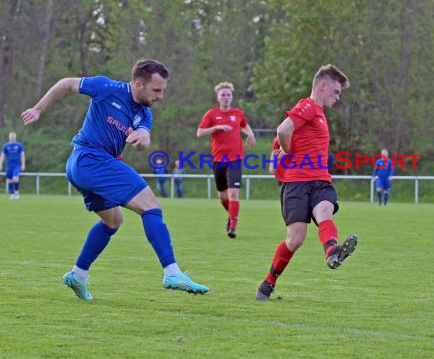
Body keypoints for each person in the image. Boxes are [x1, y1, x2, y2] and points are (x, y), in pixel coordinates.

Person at [21, 59, 208, 300]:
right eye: (157, 90)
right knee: (151, 207)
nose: (161, 96)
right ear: (139, 85)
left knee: (113, 221)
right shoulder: (106, 87)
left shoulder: (144, 113)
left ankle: (77, 275)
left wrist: (142, 139)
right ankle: (171, 272)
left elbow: (145, 136)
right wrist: (38, 109)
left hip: (85, 166)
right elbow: (66, 83)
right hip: (89, 158)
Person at [256, 64, 358, 301]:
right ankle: (268, 283)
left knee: (325, 211)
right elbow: (283, 130)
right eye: (336, 91)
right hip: (297, 185)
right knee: (296, 239)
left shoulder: (316, 114)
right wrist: (284, 152)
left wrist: (278, 156)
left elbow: (281, 141)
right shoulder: (309, 106)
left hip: (320, 181)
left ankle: (332, 252)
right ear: (322, 86)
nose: (338, 97)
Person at [197, 82, 256, 238]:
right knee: (223, 197)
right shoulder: (211, 114)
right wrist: (216, 128)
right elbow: (200, 132)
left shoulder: (238, 113)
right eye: (223, 95)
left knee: (233, 194)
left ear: (232, 97)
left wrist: (250, 134)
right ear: (218, 97)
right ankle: (231, 216)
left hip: (235, 159)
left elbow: (244, 125)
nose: (226, 98)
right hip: (218, 160)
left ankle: (233, 227)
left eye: (228, 95)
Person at [0, 131, 25, 200]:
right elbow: (2, 155)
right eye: (11, 136)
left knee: (15, 178)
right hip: (8, 166)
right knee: (10, 180)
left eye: (14, 136)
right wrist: (0, 164)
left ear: (16, 137)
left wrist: (23, 164)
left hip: (16, 166)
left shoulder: (19, 146)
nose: (12, 137)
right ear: (9, 137)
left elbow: (22, 155)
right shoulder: (6, 146)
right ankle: (12, 194)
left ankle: (16, 192)